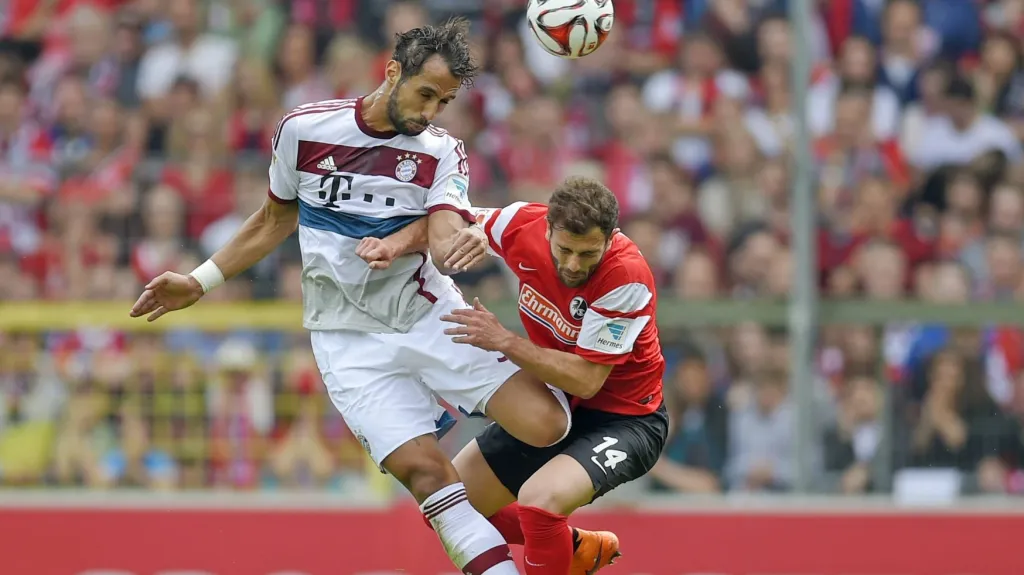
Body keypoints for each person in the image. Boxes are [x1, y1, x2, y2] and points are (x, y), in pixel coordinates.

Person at [128, 19, 577, 575]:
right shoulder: (303, 129)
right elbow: (273, 219)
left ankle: (546, 525)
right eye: (426, 94)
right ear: (393, 72)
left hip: (427, 314)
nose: (433, 111)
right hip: (346, 341)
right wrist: (199, 281)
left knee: (548, 424)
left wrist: (440, 242)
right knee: (426, 476)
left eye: (446, 100)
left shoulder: (442, 152)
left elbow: (442, 235)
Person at [374, 177, 668, 575]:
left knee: (539, 501)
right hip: (554, 404)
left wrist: (503, 341)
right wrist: (432, 239)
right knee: (447, 505)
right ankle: (573, 547)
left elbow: (585, 380)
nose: (573, 265)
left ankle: (554, 539)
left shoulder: (625, 276)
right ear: (546, 228)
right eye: (564, 249)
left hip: (625, 420)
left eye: (588, 253)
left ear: (611, 239)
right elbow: (446, 223)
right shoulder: (520, 223)